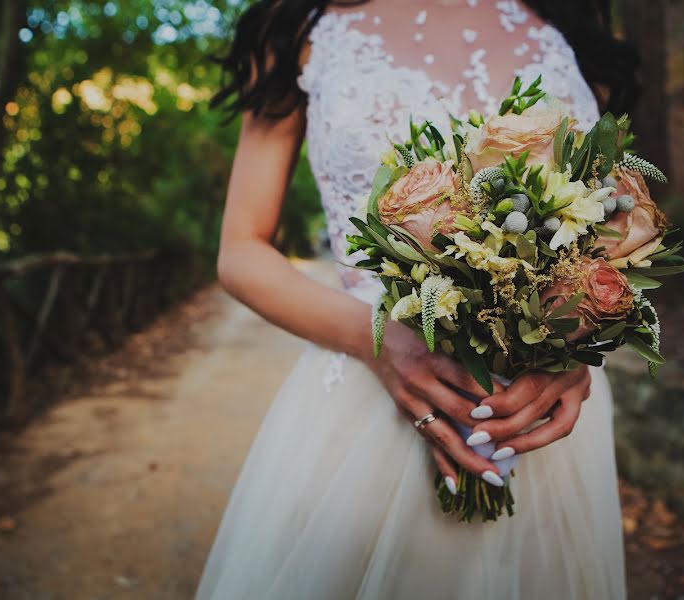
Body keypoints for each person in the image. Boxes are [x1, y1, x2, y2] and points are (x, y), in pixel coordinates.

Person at [198, 1, 639, 598]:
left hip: (546, 421)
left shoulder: (572, 24)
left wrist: (580, 345)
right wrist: (378, 341)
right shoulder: (299, 27)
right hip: (365, 406)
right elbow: (241, 250)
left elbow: (612, 225)